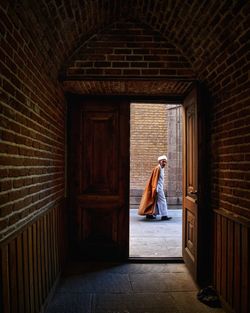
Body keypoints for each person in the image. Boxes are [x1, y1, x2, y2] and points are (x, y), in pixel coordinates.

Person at [138, 155, 172, 220]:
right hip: (157, 188)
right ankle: (164, 215)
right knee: (162, 200)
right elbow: (154, 179)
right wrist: (155, 189)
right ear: (159, 162)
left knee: (155, 201)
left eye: (165, 162)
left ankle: (150, 214)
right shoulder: (158, 168)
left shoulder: (161, 168)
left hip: (158, 188)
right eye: (163, 161)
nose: (164, 163)